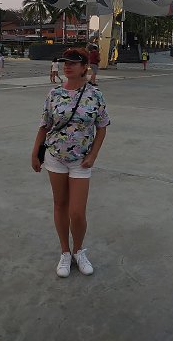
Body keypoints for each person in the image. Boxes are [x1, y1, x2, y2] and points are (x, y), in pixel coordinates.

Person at [31, 47, 110, 278]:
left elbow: (102, 127)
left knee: (77, 212)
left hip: (81, 161)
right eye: (65, 62)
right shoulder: (54, 93)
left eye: (73, 63)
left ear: (84, 67)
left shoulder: (95, 95)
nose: (67, 66)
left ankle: (79, 251)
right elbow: (44, 126)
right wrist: (35, 153)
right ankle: (65, 252)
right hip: (55, 157)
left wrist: (93, 155)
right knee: (60, 205)